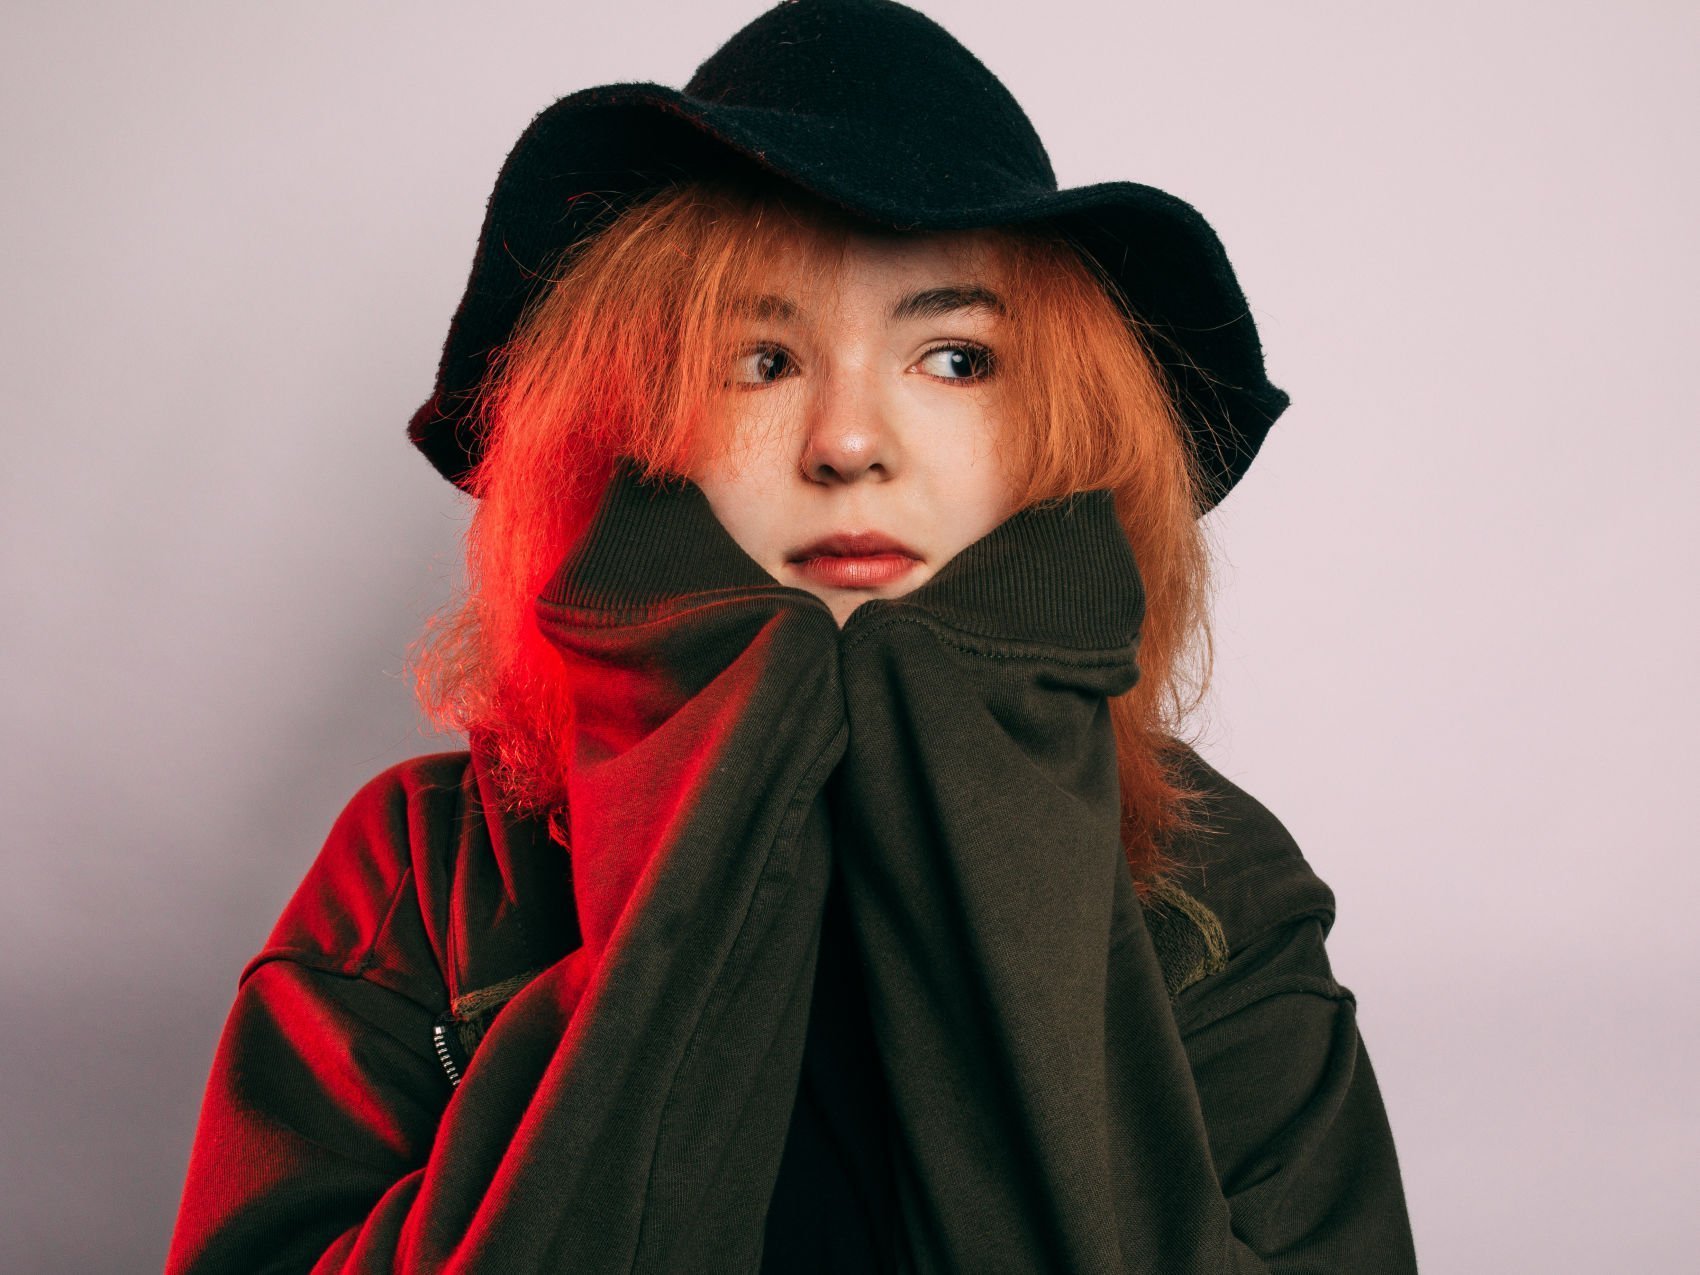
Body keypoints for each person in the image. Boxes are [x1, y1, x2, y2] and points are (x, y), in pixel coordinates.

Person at [165, 2, 1420, 1271]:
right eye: (758, 362)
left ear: (1064, 422)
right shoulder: (419, 869)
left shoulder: (1212, 879)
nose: (848, 442)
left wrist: (985, 794)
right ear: (626, 424)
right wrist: (707, 799)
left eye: (954, 358)